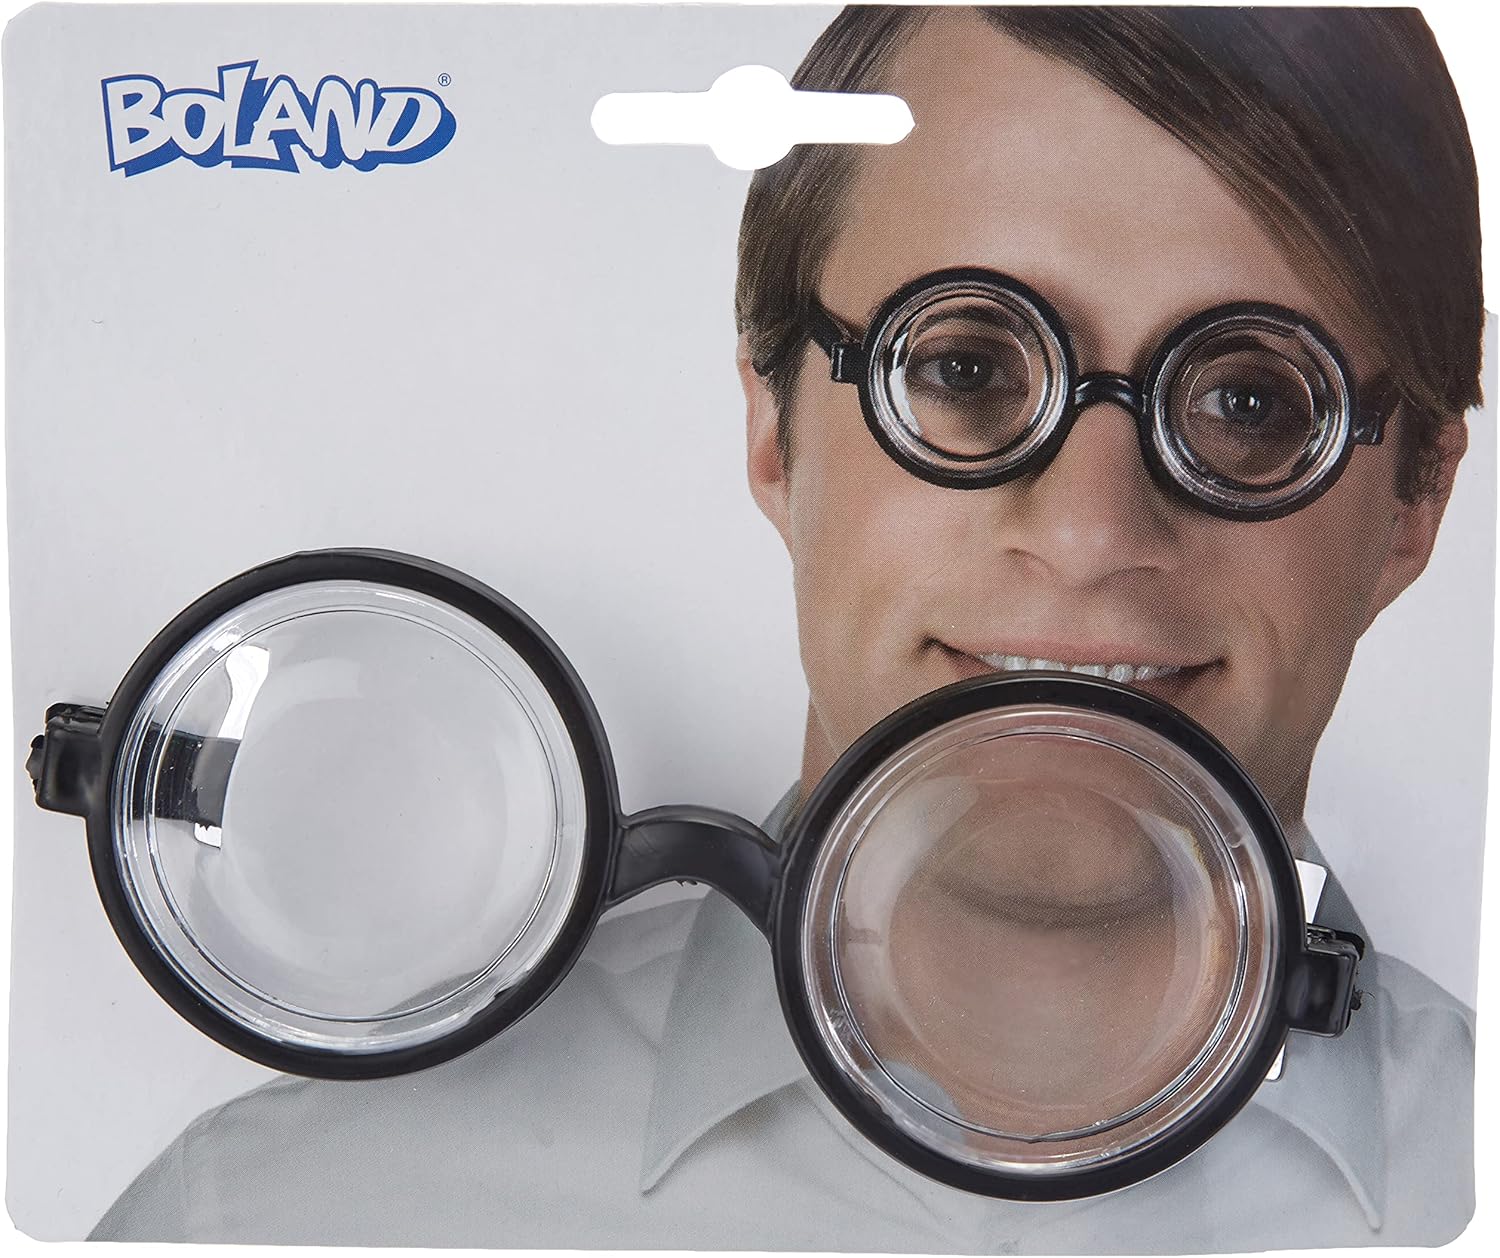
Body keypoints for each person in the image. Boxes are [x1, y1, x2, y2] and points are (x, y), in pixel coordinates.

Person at [91, 6, 1482, 1249]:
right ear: (774, 427)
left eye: (1251, 402)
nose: (1087, 532)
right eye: (963, 365)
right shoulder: (274, 1217)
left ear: (1416, 498)